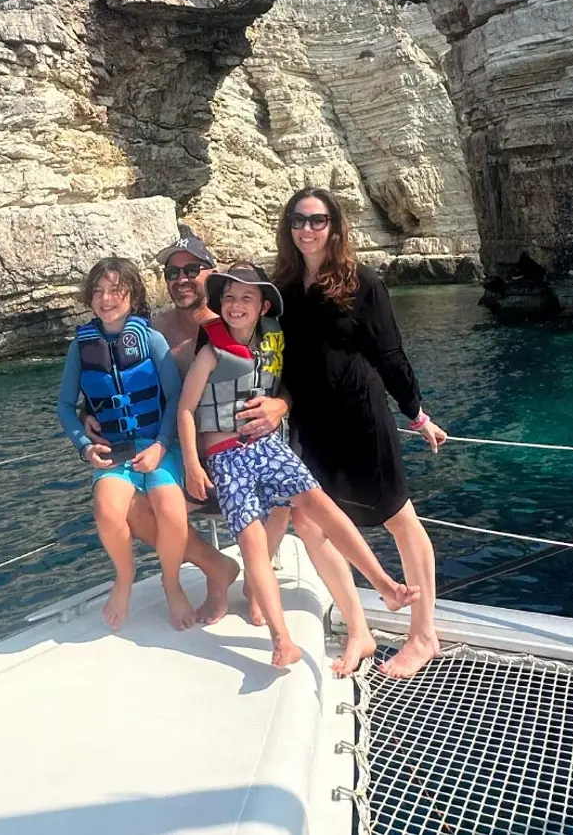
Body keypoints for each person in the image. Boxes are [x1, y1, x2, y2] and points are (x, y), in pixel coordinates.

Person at [177, 262, 421, 667]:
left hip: (266, 446)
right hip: (226, 456)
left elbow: (289, 386)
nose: (236, 304)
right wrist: (191, 463)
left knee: (318, 502)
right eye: (230, 297)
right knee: (253, 543)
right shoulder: (210, 352)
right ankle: (281, 639)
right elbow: (186, 409)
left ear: (263, 307)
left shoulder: (271, 342)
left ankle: (385, 585)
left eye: (247, 297)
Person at [273, 187, 449, 678]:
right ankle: (359, 630)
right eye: (298, 220)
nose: (307, 229)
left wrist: (416, 414)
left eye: (318, 220)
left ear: (335, 226)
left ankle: (423, 635)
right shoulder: (283, 288)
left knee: (398, 518)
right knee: (309, 521)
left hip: (360, 416)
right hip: (310, 423)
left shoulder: (362, 283)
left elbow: (390, 355)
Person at [85, 231, 290, 626]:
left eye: (192, 269)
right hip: (179, 458)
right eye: (172, 272)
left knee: (282, 498)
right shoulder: (149, 331)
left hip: (233, 453)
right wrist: (85, 416)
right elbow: (108, 380)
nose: (181, 279)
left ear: (211, 273)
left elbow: (284, 379)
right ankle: (215, 566)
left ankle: (255, 581)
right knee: (132, 507)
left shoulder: (237, 322)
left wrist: (281, 405)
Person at [57, 257, 195, 632]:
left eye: (115, 290)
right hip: (114, 451)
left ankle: (171, 583)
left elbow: (175, 396)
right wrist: (85, 445)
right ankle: (124, 576)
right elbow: (65, 407)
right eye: (98, 291)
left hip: (158, 445)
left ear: (132, 295)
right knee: (106, 509)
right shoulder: (80, 348)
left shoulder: (151, 339)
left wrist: (161, 446)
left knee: (171, 510)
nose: (106, 299)